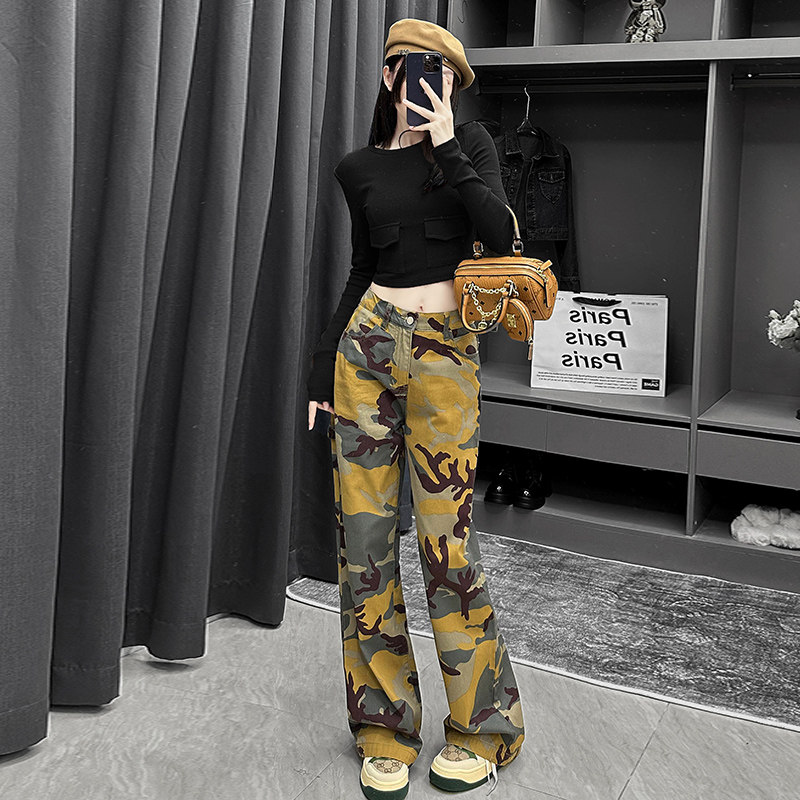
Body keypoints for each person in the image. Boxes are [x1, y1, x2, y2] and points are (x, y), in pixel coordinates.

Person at [305, 18, 525, 799]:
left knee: (447, 546)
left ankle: (484, 729)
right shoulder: (357, 168)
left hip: (445, 353)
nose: (429, 85)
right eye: (415, 69)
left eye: (444, 75)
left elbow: (500, 235)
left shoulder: (472, 148)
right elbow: (360, 268)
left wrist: (446, 146)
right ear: (389, 76)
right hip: (365, 351)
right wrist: (320, 371)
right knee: (364, 547)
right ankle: (382, 725)